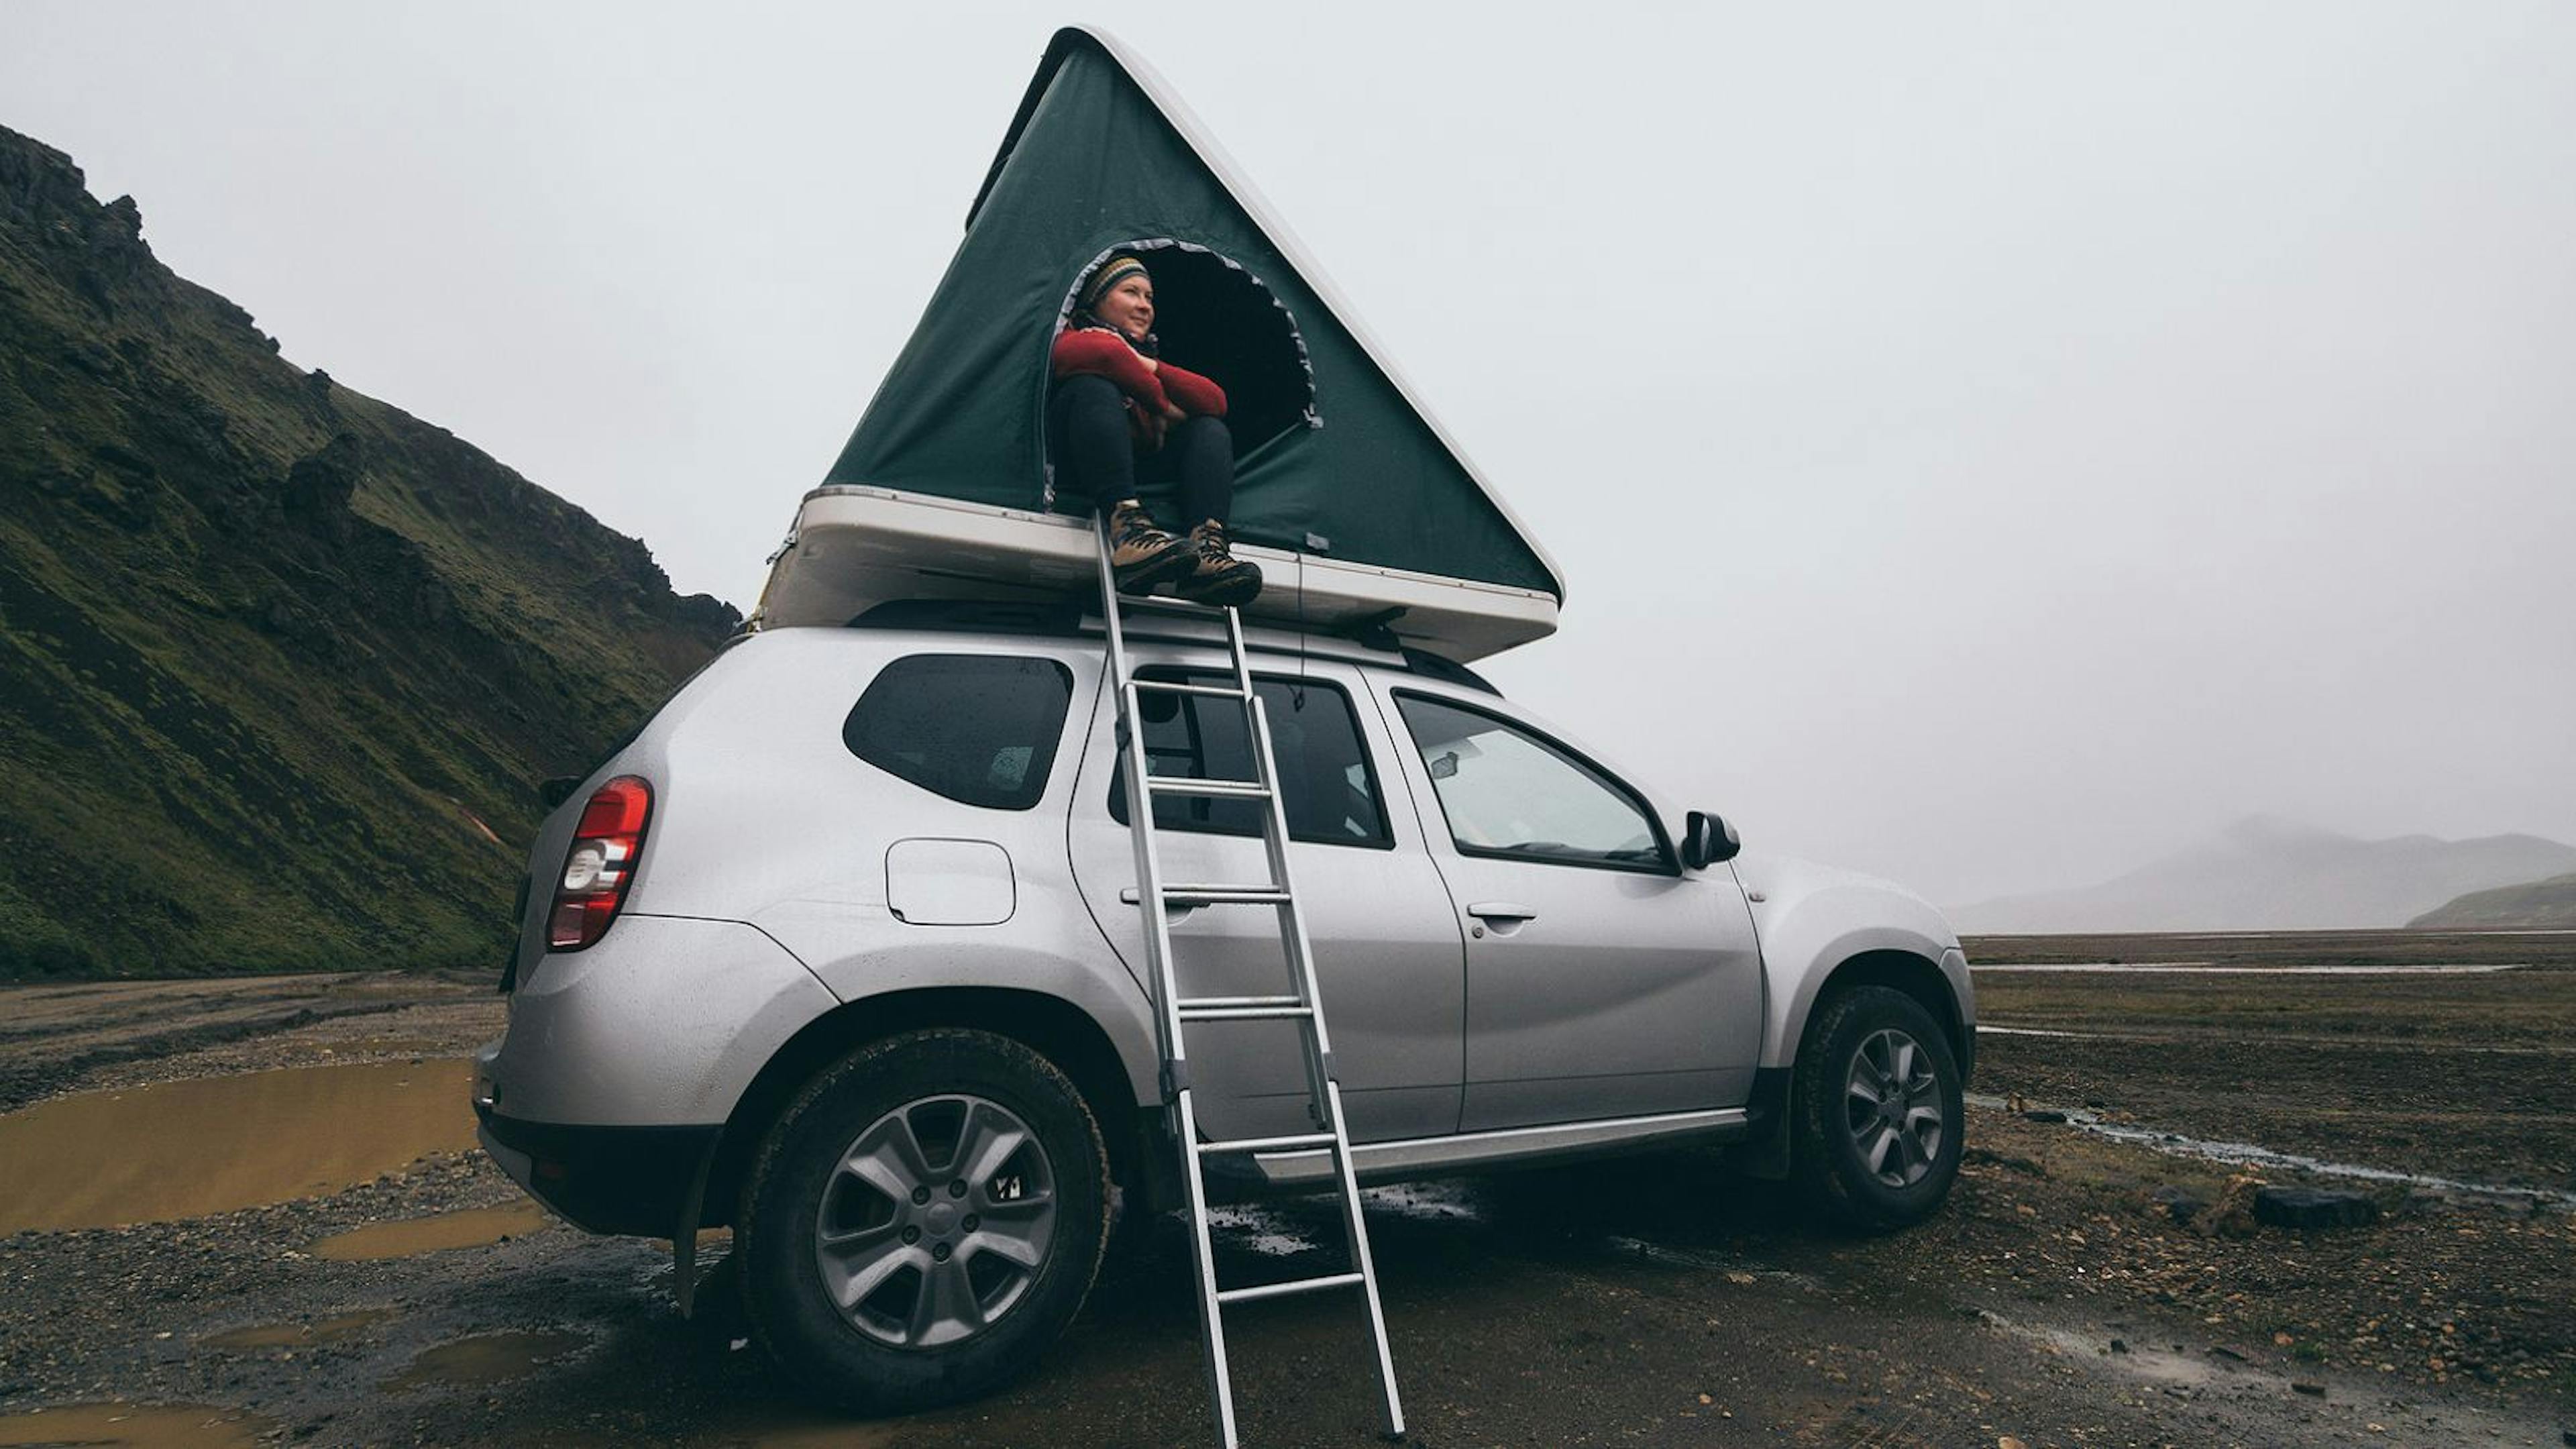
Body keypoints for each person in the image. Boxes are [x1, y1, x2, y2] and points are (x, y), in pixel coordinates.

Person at [1049, 254, 1263, 606]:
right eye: (1131, 292)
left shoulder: (1144, 356)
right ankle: (1128, 527)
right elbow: (1106, 355)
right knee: (1094, 387)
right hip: (1079, 464)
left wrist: (1147, 365)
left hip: (1138, 462)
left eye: (1149, 297)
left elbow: (1214, 400)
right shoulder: (1074, 337)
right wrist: (1162, 408)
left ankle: (1208, 547)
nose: (1144, 306)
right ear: (1096, 301)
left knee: (1208, 429)